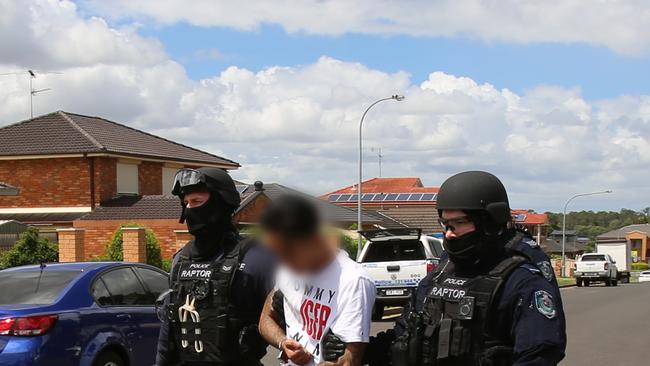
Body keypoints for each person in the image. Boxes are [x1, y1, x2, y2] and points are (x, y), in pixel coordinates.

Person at [323, 171, 566, 366]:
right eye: (446, 223)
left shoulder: (521, 281)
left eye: (460, 223)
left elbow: (538, 355)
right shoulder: (441, 274)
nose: (450, 233)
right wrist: (355, 351)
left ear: (490, 222)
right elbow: (403, 337)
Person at [156, 168, 274, 366]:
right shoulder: (181, 260)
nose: (190, 210)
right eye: (186, 203)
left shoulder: (256, 258)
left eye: (197, 202)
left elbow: (292, 318)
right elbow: (168, 330)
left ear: (221, 204)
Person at [258, 194, 376, 366]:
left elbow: (349, 361)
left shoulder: (354, 281)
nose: (283, 261)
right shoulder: (287, 269)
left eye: (289, 253)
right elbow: (265, 318)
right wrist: (283, 342)